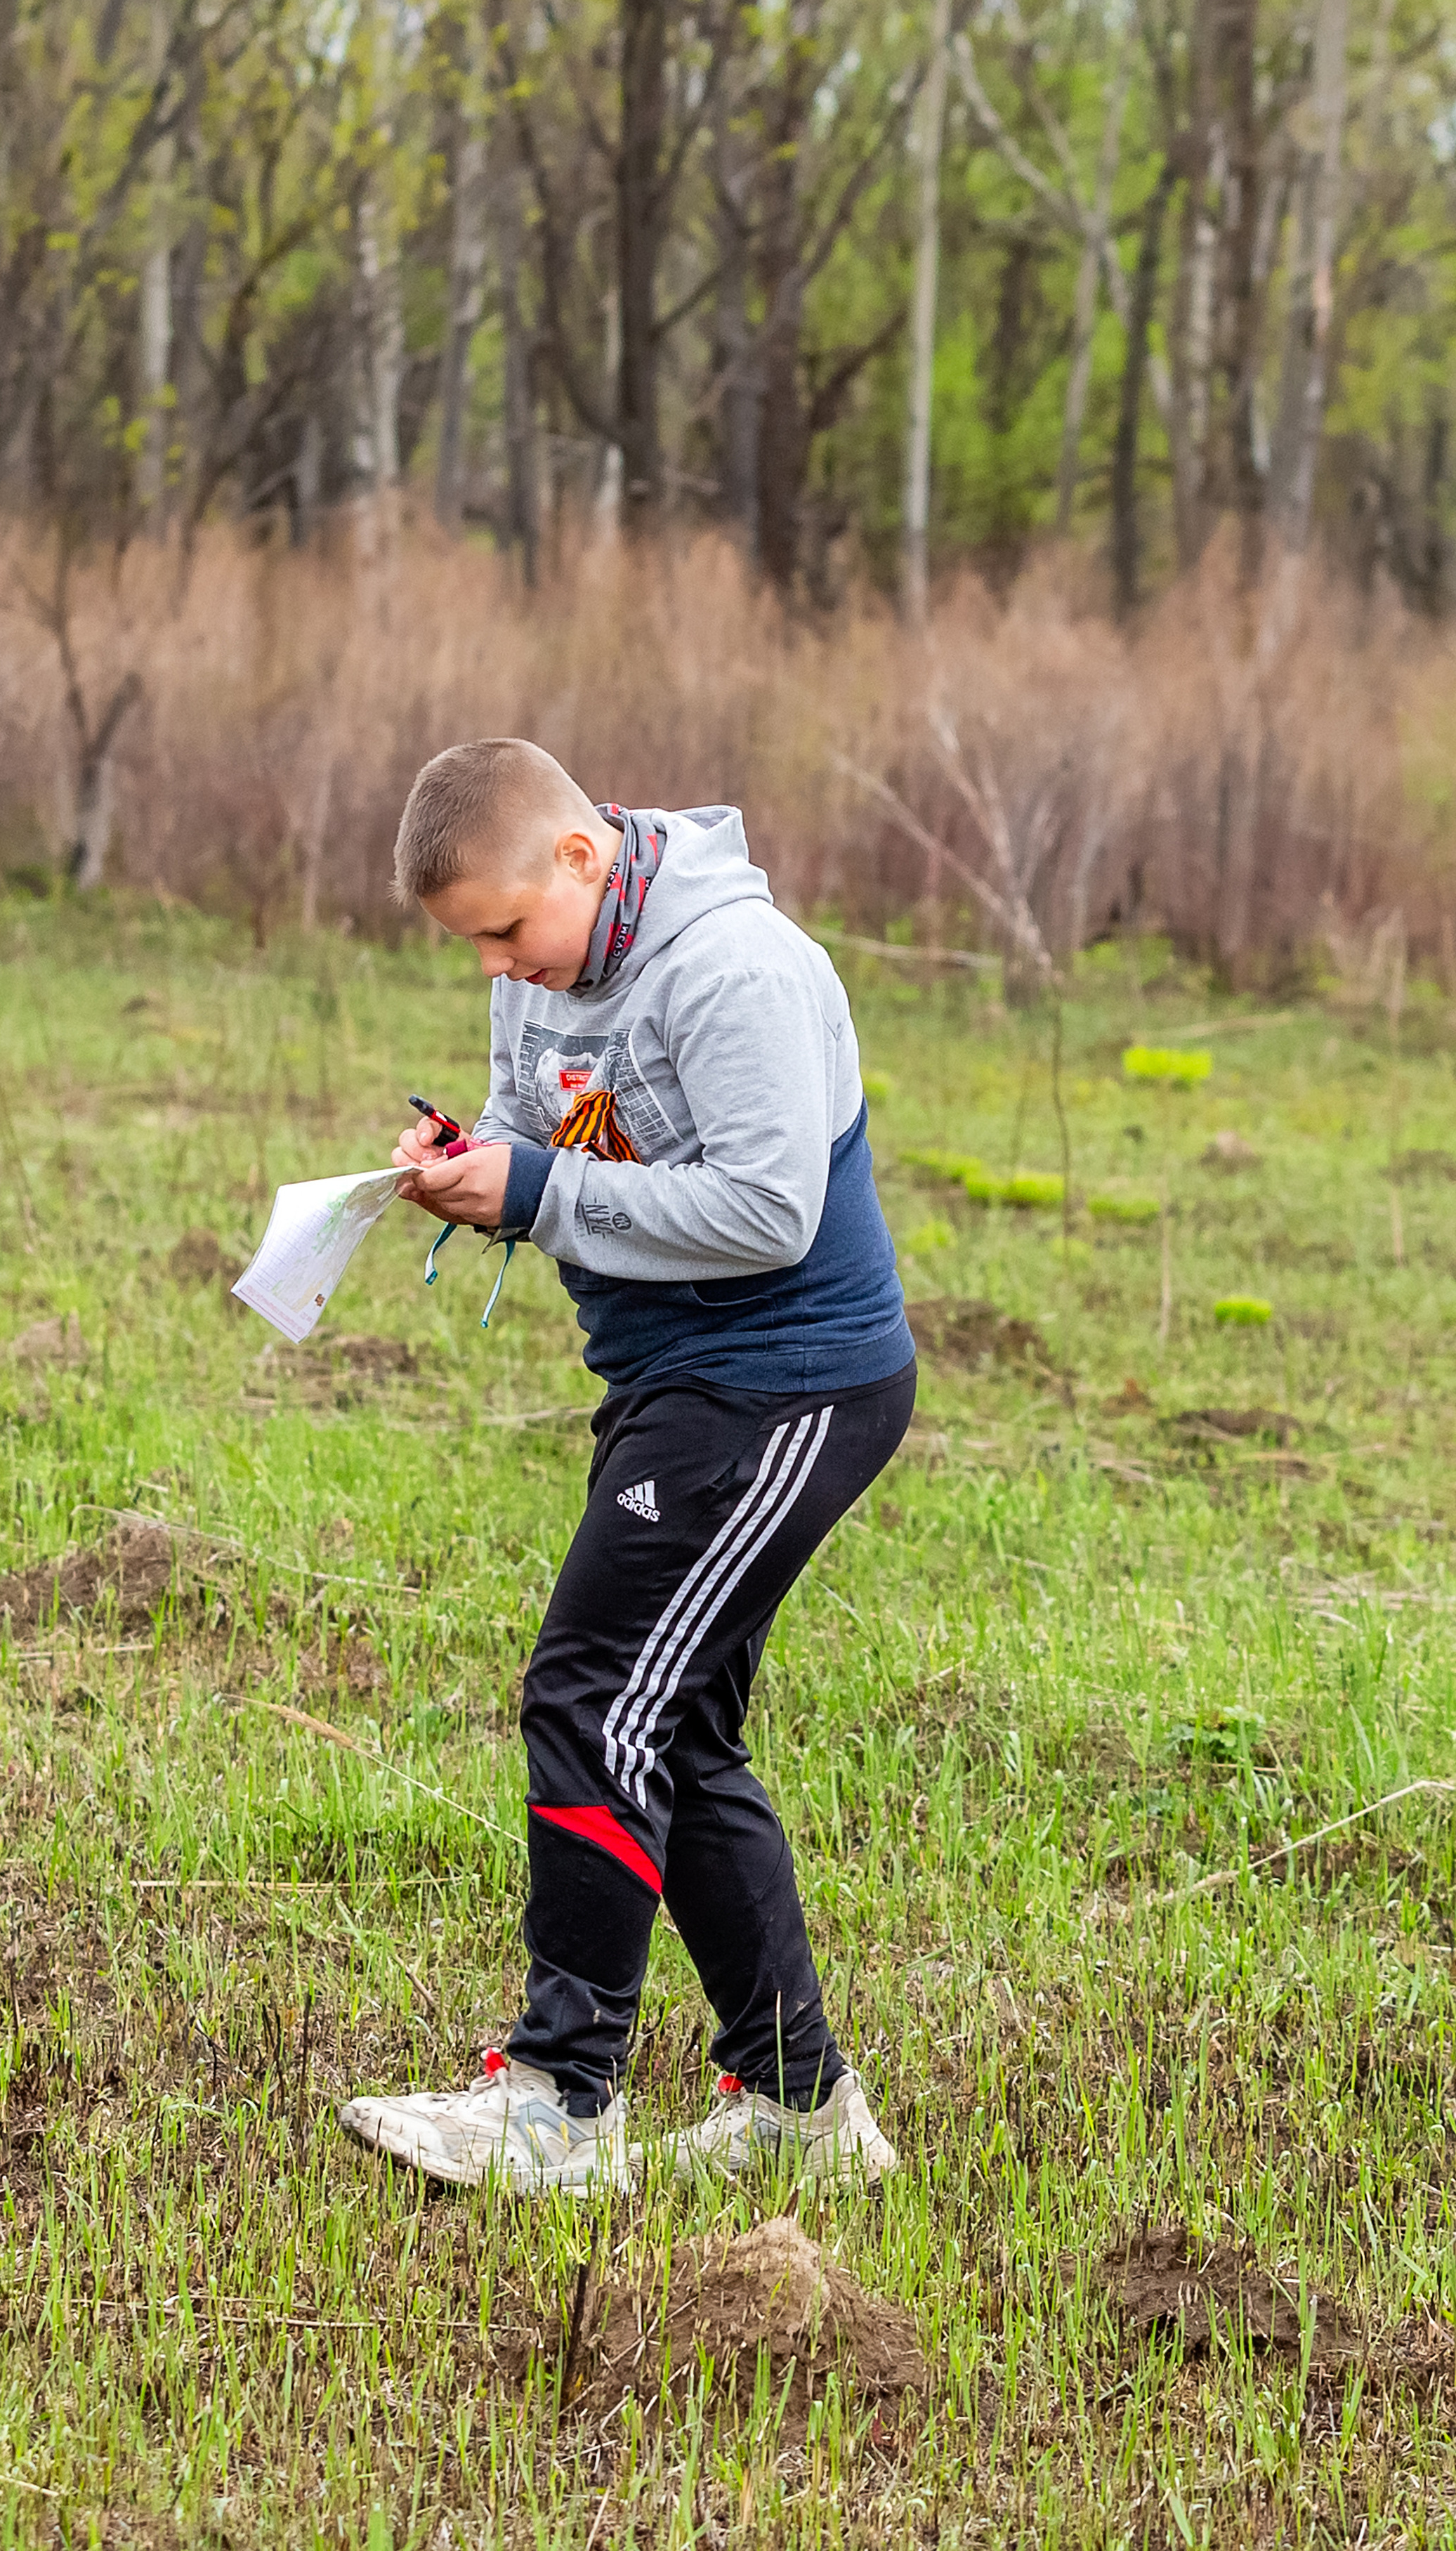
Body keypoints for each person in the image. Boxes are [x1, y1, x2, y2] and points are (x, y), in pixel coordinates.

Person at [338, 738, 915, 2194]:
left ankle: (559, 2101)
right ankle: (799, 2113)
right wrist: (475, 1164)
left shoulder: (738, 971)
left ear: (580, 860)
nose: (498, 969)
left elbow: (768, 1210)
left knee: (590, 1696)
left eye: (505, 931)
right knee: (671, 1724)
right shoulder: (536, 971)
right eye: (471, 947)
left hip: (784, 1384)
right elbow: (547, 1139)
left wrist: (532, 1188)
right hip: (671, 1382)